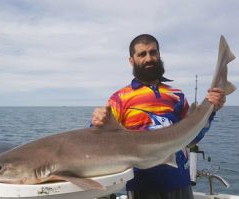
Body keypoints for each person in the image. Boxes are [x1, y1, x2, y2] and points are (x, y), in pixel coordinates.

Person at [91, 34, 226, 199]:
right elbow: (99, 140)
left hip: (179, 182)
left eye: (153, 52)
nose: (149, 58)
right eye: (142, 54)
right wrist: (97, 123)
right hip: (142, 186)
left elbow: (191, 139)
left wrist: (211, 111)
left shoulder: (176, 95)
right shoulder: (120, 98)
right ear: (131, 60)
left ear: (159, 55)